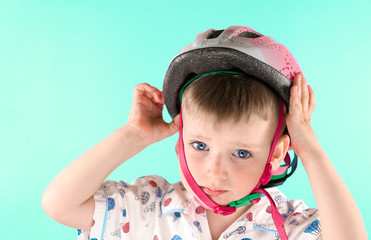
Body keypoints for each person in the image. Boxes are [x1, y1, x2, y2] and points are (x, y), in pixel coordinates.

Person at [41, 26, 367, 240]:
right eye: (199, 145)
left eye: (241, 153)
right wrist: (133, 136)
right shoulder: (147, 206)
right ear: (180, 140)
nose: (215, 171)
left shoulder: (290, 224)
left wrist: (311, 151)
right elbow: (59, 204)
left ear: (278, 151)